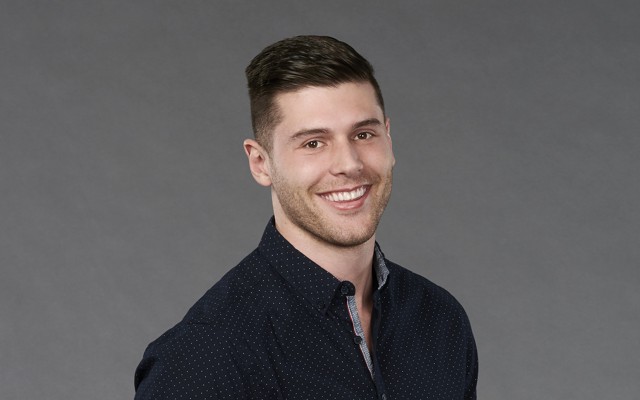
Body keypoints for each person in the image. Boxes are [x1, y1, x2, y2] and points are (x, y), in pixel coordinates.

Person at [134, 35, 478, 400]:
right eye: (313, 143)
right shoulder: (203, 357)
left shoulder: (440, 319)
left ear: (389, 139)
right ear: (261, 163)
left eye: (363, 134)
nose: (349, 164)